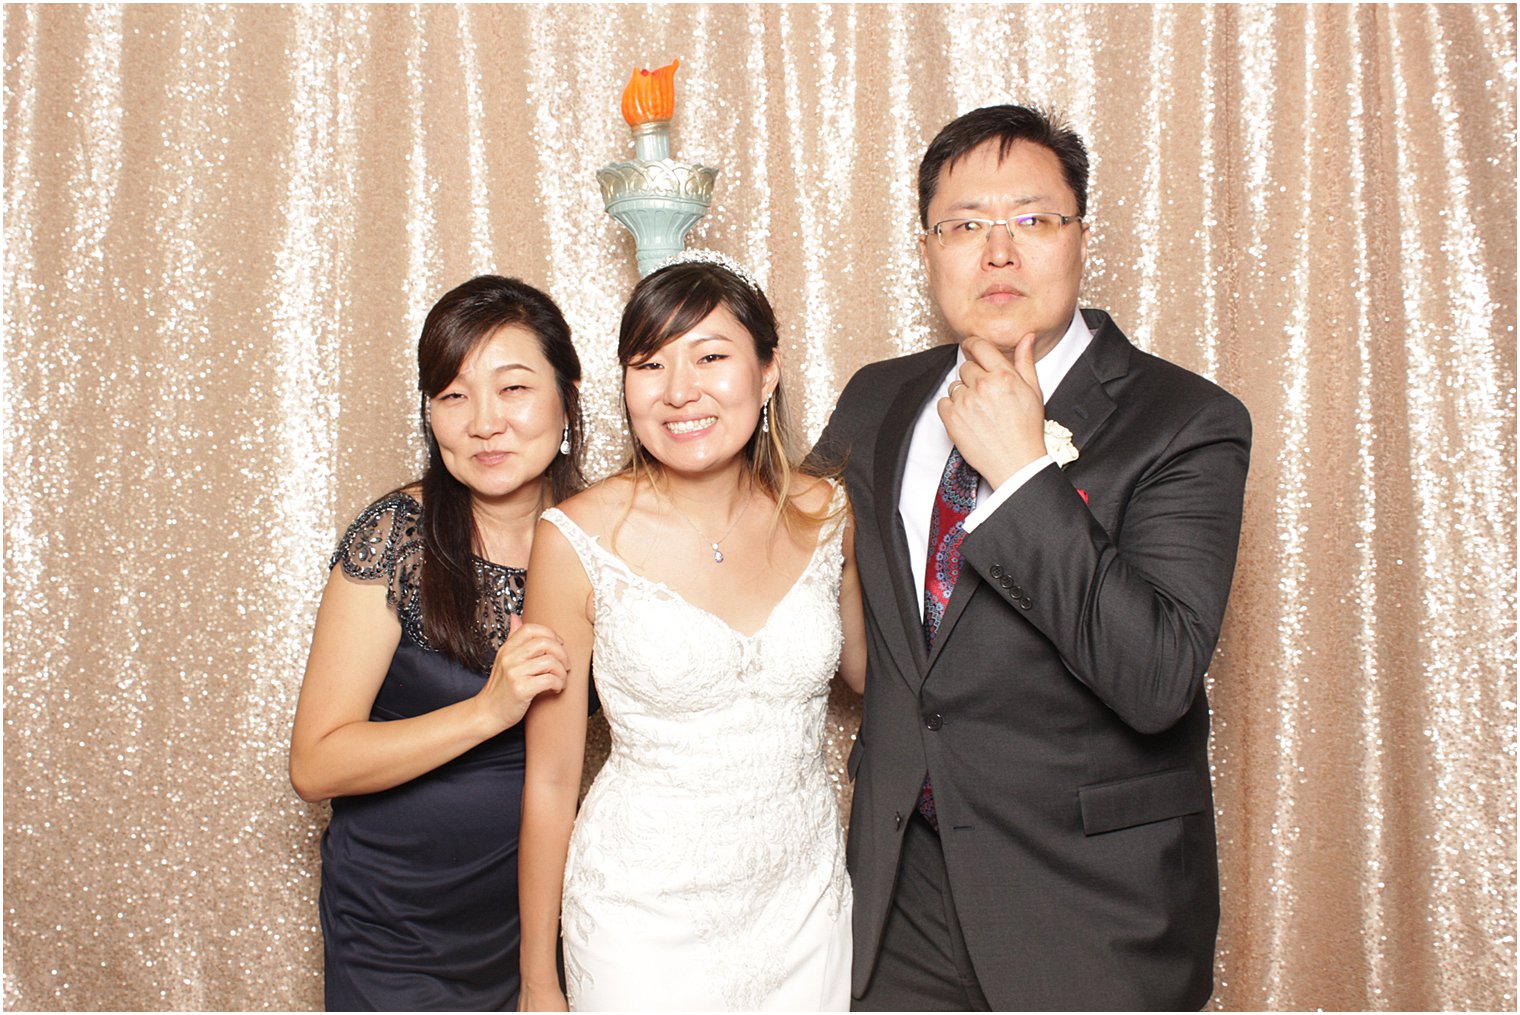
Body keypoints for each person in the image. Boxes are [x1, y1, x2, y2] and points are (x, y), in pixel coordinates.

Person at [813, 105, 1252, 1010]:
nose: (997, 252)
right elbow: (772, 552)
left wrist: (1019, 471)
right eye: (965, 225)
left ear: (1081, 235)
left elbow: (1159, 673)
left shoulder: (1185, 421)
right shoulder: (877, 399)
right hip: (903, 897)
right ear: (930, 248)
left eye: (1030, 219)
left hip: (1090, 905)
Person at [516, 252, 867, 1012]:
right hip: (640, 920)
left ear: (768, 372)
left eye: (711, 356)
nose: (680, 391)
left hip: (801, 907)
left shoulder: (830, 513)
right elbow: (549, 779)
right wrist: (539, 980)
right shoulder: (575, 537)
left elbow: (887, 680)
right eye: (650, 364)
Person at [288, 275, 584, 1011]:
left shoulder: (600, 538)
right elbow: (315, 762)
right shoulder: (397, 536)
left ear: (567, 398)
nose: (485, 422)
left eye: (513, 388)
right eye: (453, 395)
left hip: (548, 919)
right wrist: (489, 708)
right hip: (396, 929)